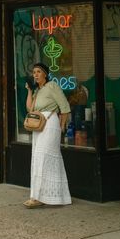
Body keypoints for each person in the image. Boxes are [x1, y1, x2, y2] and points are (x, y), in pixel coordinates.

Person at [24, 62, 72, 208]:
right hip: (38, 126)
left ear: (45, 73)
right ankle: (41, 196)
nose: (35, 74)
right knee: (38, 159)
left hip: (50, 125)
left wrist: (61, 126)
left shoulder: (52, 86)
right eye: (34, 72)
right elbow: (30, 108)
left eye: (38, 72)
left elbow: (64, 107)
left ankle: (41, 197)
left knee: (45, 158)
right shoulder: (38, 90)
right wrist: (30, 91)